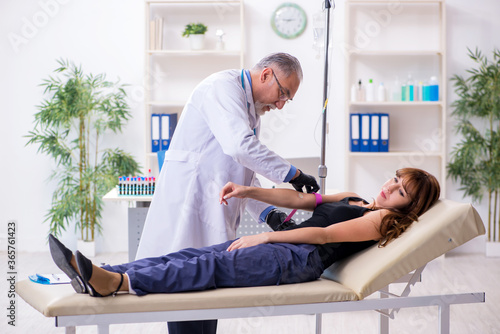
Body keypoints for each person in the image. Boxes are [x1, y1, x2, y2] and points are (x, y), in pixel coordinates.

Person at [49, 168, 440, 300]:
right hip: (288, 250)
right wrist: (248, 190)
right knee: (190, 255)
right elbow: (301, 200)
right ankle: (97, 271)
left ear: (409, 207)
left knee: (211, 267)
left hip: (297, 260)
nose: (390, 188)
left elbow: (322, 237)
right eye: (395, 179)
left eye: (401, 192)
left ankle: (115, 283)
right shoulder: (355, 197)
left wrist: (265, 237)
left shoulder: (381, 221)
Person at [136, 53, 319, 334]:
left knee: (207, 290)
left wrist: (269, 213)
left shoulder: (251, 110)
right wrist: (293, 174)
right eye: (282, 93)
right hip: (190, 203)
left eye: (287, 99)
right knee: (184, 290)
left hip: (211, 206)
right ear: (266, 74)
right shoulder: (221, 87)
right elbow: (240, 147)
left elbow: (242, 173)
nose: (281, 105)